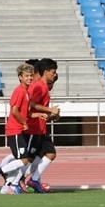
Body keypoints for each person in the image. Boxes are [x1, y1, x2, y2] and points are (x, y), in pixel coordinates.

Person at [0, 63, 46, 194]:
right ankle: (0, 171)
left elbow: (26, 112)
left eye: (31, 76)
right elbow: (15, 110)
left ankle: (8, 186)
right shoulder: (19, 91)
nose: (29, 78)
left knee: (23, 159)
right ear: (20, 77)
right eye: (27, 76)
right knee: (24, 159)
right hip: (14, 130)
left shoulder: (26, 92)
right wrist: (23, 123)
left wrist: (38, 114)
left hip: (19, 130)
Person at [25, 58, 60, 193]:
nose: (54, 75)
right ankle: (3, 175)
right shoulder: (39, 86)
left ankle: (31, 180)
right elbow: (31, 104)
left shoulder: (43, 86)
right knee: (27, 158)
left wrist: (52, 115)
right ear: (45, 72)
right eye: (53, 72)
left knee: (41, 154)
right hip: (34, 127)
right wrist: (49, 110)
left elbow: (38, 108)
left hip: (40, 126)